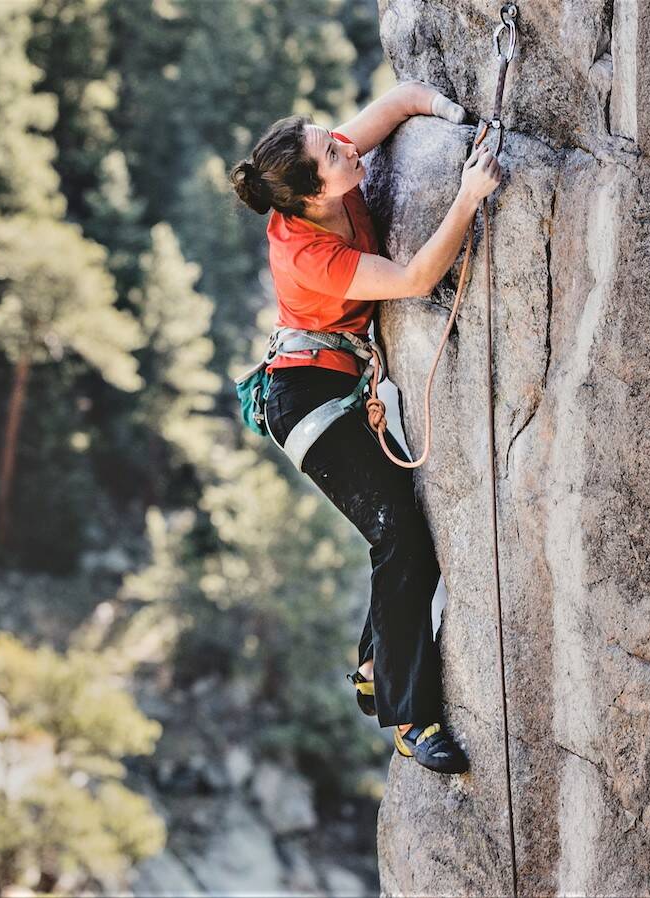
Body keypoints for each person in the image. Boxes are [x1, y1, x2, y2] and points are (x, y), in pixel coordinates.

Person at [227, 80, 502, 774]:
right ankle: (411, 719)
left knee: (407, 538)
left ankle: (378, 667)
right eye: (331, 152)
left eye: (331, 136)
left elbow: (402, 100)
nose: (345, 146)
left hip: (335, 381)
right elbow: (413, 279)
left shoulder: (327, 170)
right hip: (306, 399)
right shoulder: (308, 252)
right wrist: (468, 197)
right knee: (400, 537)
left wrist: (456, 115)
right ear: (312, 196)